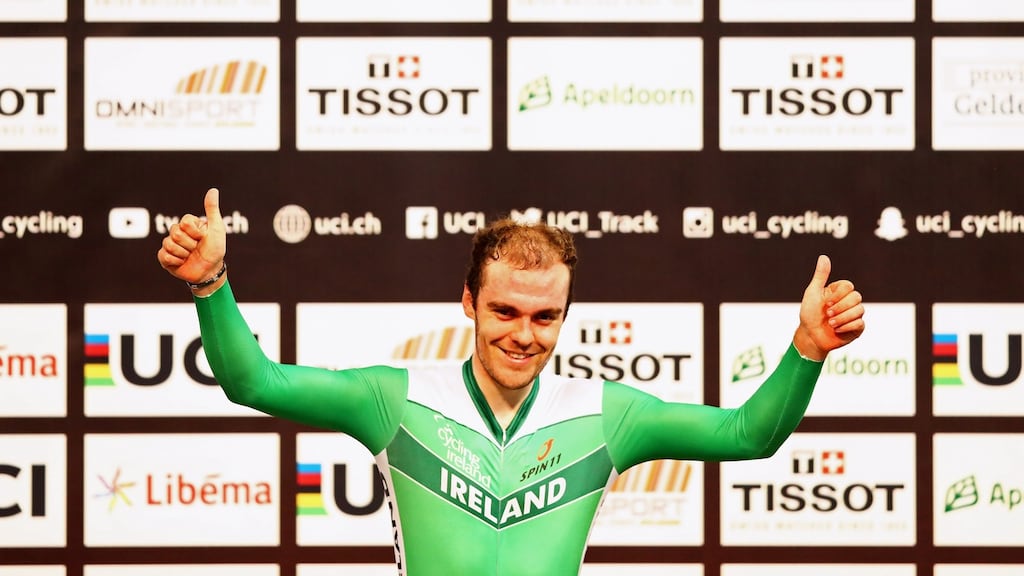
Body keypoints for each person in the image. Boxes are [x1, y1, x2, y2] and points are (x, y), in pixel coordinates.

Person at [157, 188, 865, 576]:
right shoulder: (394, 399)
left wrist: (806, 350)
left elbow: (749, 436)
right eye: (504, 310)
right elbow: (254, 381)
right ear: (468, 302)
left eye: (544, 316)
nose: (524, 335)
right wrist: (211, 284)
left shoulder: (606, 414)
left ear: (565, 316)